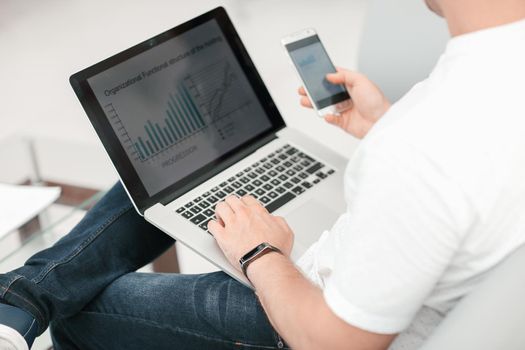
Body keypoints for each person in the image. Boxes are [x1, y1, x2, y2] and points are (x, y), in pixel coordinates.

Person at [2, 0, 525, 349]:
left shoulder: (420, 148)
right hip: (402, 263)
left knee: (84, 308)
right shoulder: (490, 72)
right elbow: (474, 163)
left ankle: (25, 299)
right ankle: (23, 294)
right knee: (169, 180)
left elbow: (335, 341)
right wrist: (384, 128)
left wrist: (261, 254)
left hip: (311, 316)